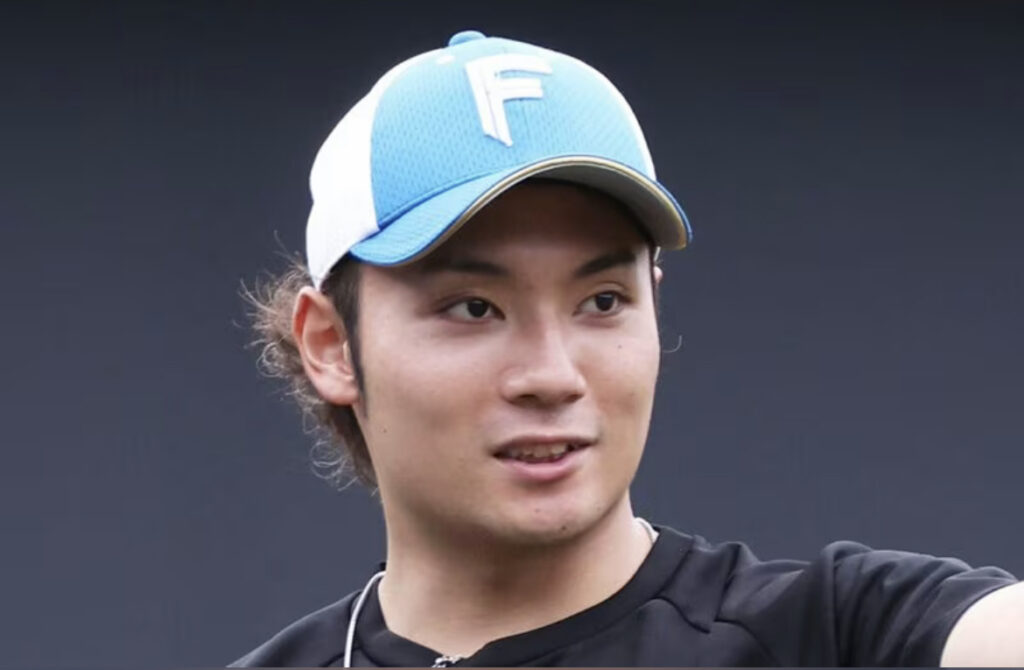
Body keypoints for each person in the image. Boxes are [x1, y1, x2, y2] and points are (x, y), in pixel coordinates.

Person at [234, 31, 1020, 667]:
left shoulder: (839, 635)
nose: (552, 375)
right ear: (332, 345)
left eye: (602, 302)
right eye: (474, 308)